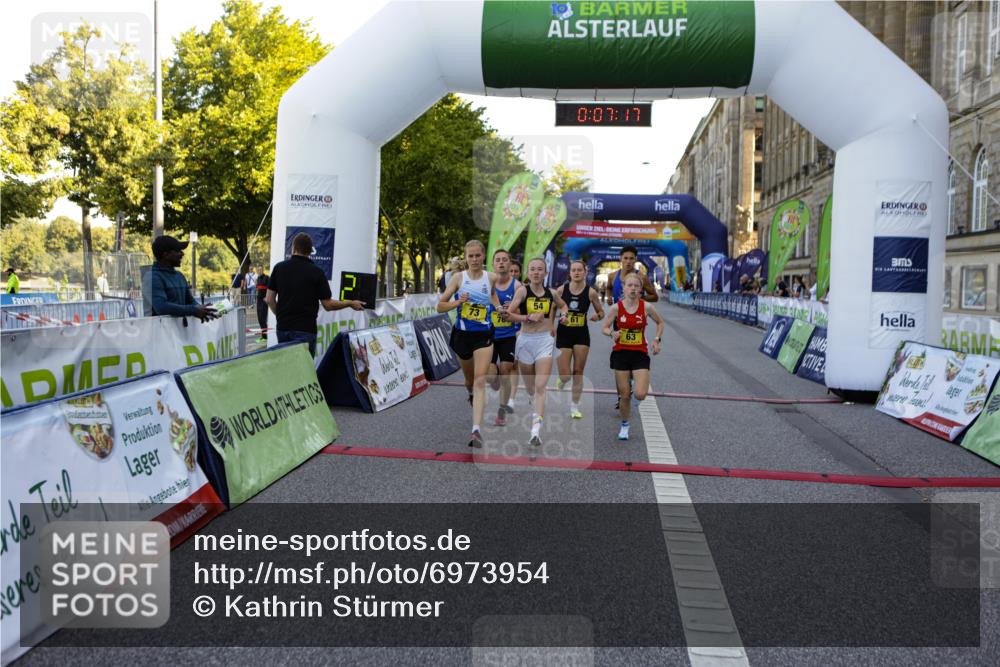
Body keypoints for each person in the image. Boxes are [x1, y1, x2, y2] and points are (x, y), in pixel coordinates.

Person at [438, 239, 501, 448]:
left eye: (477, 255)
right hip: (462, 335)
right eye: (470, 256)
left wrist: (499, 308)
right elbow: (440, 306)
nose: (474, 259)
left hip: (483, 334)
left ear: (483, 257)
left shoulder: (491, 277)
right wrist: (457, 302)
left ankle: (476, 431)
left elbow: (492, 297)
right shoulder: (458, 278)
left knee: (480, 379)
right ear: (466, 258)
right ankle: (471, 394)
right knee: (469, 380)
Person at [266, 233, 364, 357]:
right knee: (304, 371)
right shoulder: (317, 272)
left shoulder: (279, 268)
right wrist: (349, 303)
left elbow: (269, 299)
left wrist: (280, 316)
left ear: (293, 248)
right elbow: (328, 305)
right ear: (310, 251)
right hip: (305, 330)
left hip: (283, 328)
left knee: (286, 369)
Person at [505, 257, 569, 447]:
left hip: (544, 341)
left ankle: (535, 431)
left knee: (541, 386)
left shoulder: (552, 293)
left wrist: (564, 315)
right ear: (528, 273)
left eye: (540, 269)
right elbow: (509, 314)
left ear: (545, 273)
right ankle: (533, 399)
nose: (536, 272)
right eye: (532, 269)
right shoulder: (522, 291)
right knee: (532, 387)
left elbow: (563, 305)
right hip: (525, 341)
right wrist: (527, 317)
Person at [602, 273, 665, 441]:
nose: (633, 288)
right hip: (621, 353)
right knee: (624, 396)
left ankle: (633, 389)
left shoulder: (646, 307)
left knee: (640, 394)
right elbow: (605, 327)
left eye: (636, 286)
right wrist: (612, 333)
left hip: (639, 353)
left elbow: (660, 322)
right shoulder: (616, 308)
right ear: (623, 288)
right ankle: (624, 424)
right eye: (629, 285)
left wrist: (657, 340)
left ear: (641, 289)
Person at [555, 259, 605, 419]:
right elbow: (551, 311)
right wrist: (555, 321)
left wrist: (597, 317)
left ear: (585, 272)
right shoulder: (561, 290)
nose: (576, 273)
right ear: (569, 273)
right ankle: (562, 381)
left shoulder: (591, 292)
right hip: (564, 334)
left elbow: (601, 312)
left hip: (581, 335)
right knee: (565, 375)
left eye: (579, 270)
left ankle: (574, 407)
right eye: (573, 270)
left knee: (578, 372)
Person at [147, 236, 217, 321]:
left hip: (181, 333)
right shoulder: (152, 277)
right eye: (178, 251)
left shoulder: (179, 276)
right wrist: (194, 310)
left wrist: (204, 309)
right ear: (166, 255)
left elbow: (190, 301)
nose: (182, 254)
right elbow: (161, 307)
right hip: (161, 332)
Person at [488, 249, 521, 427]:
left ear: (510, 264)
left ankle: (501, 410)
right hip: (489, 336)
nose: (501, 263)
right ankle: (495, 379)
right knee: (490, 377)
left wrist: (514, 309)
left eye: (504, 260)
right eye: (498, 260)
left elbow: (526, 311)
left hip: (509, 335)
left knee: (506, 371)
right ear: (493, 264)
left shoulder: (517, 286)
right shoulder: (486, 284)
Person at [506, 259, 524, 412]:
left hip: (516, 330)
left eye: (515, 271)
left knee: (513, 365)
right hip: (496, 330)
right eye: (510, 271)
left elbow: (526, 313)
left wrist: (510, 310)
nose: (512, 274)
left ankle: (511, 399)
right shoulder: (494, 286)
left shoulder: (523, 290)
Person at [255, 267, 270, 342]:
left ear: (263, 270)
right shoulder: (258, 278)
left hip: (264, 300)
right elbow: (257, 289)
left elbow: (269, 288)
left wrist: (267, 297)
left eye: (260, 269)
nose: (259, 271)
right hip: (259, 300)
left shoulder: (267, 277)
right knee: (259, 319)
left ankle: (266, 337)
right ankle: (263, 336)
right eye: (258, 270)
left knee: (263, 318)